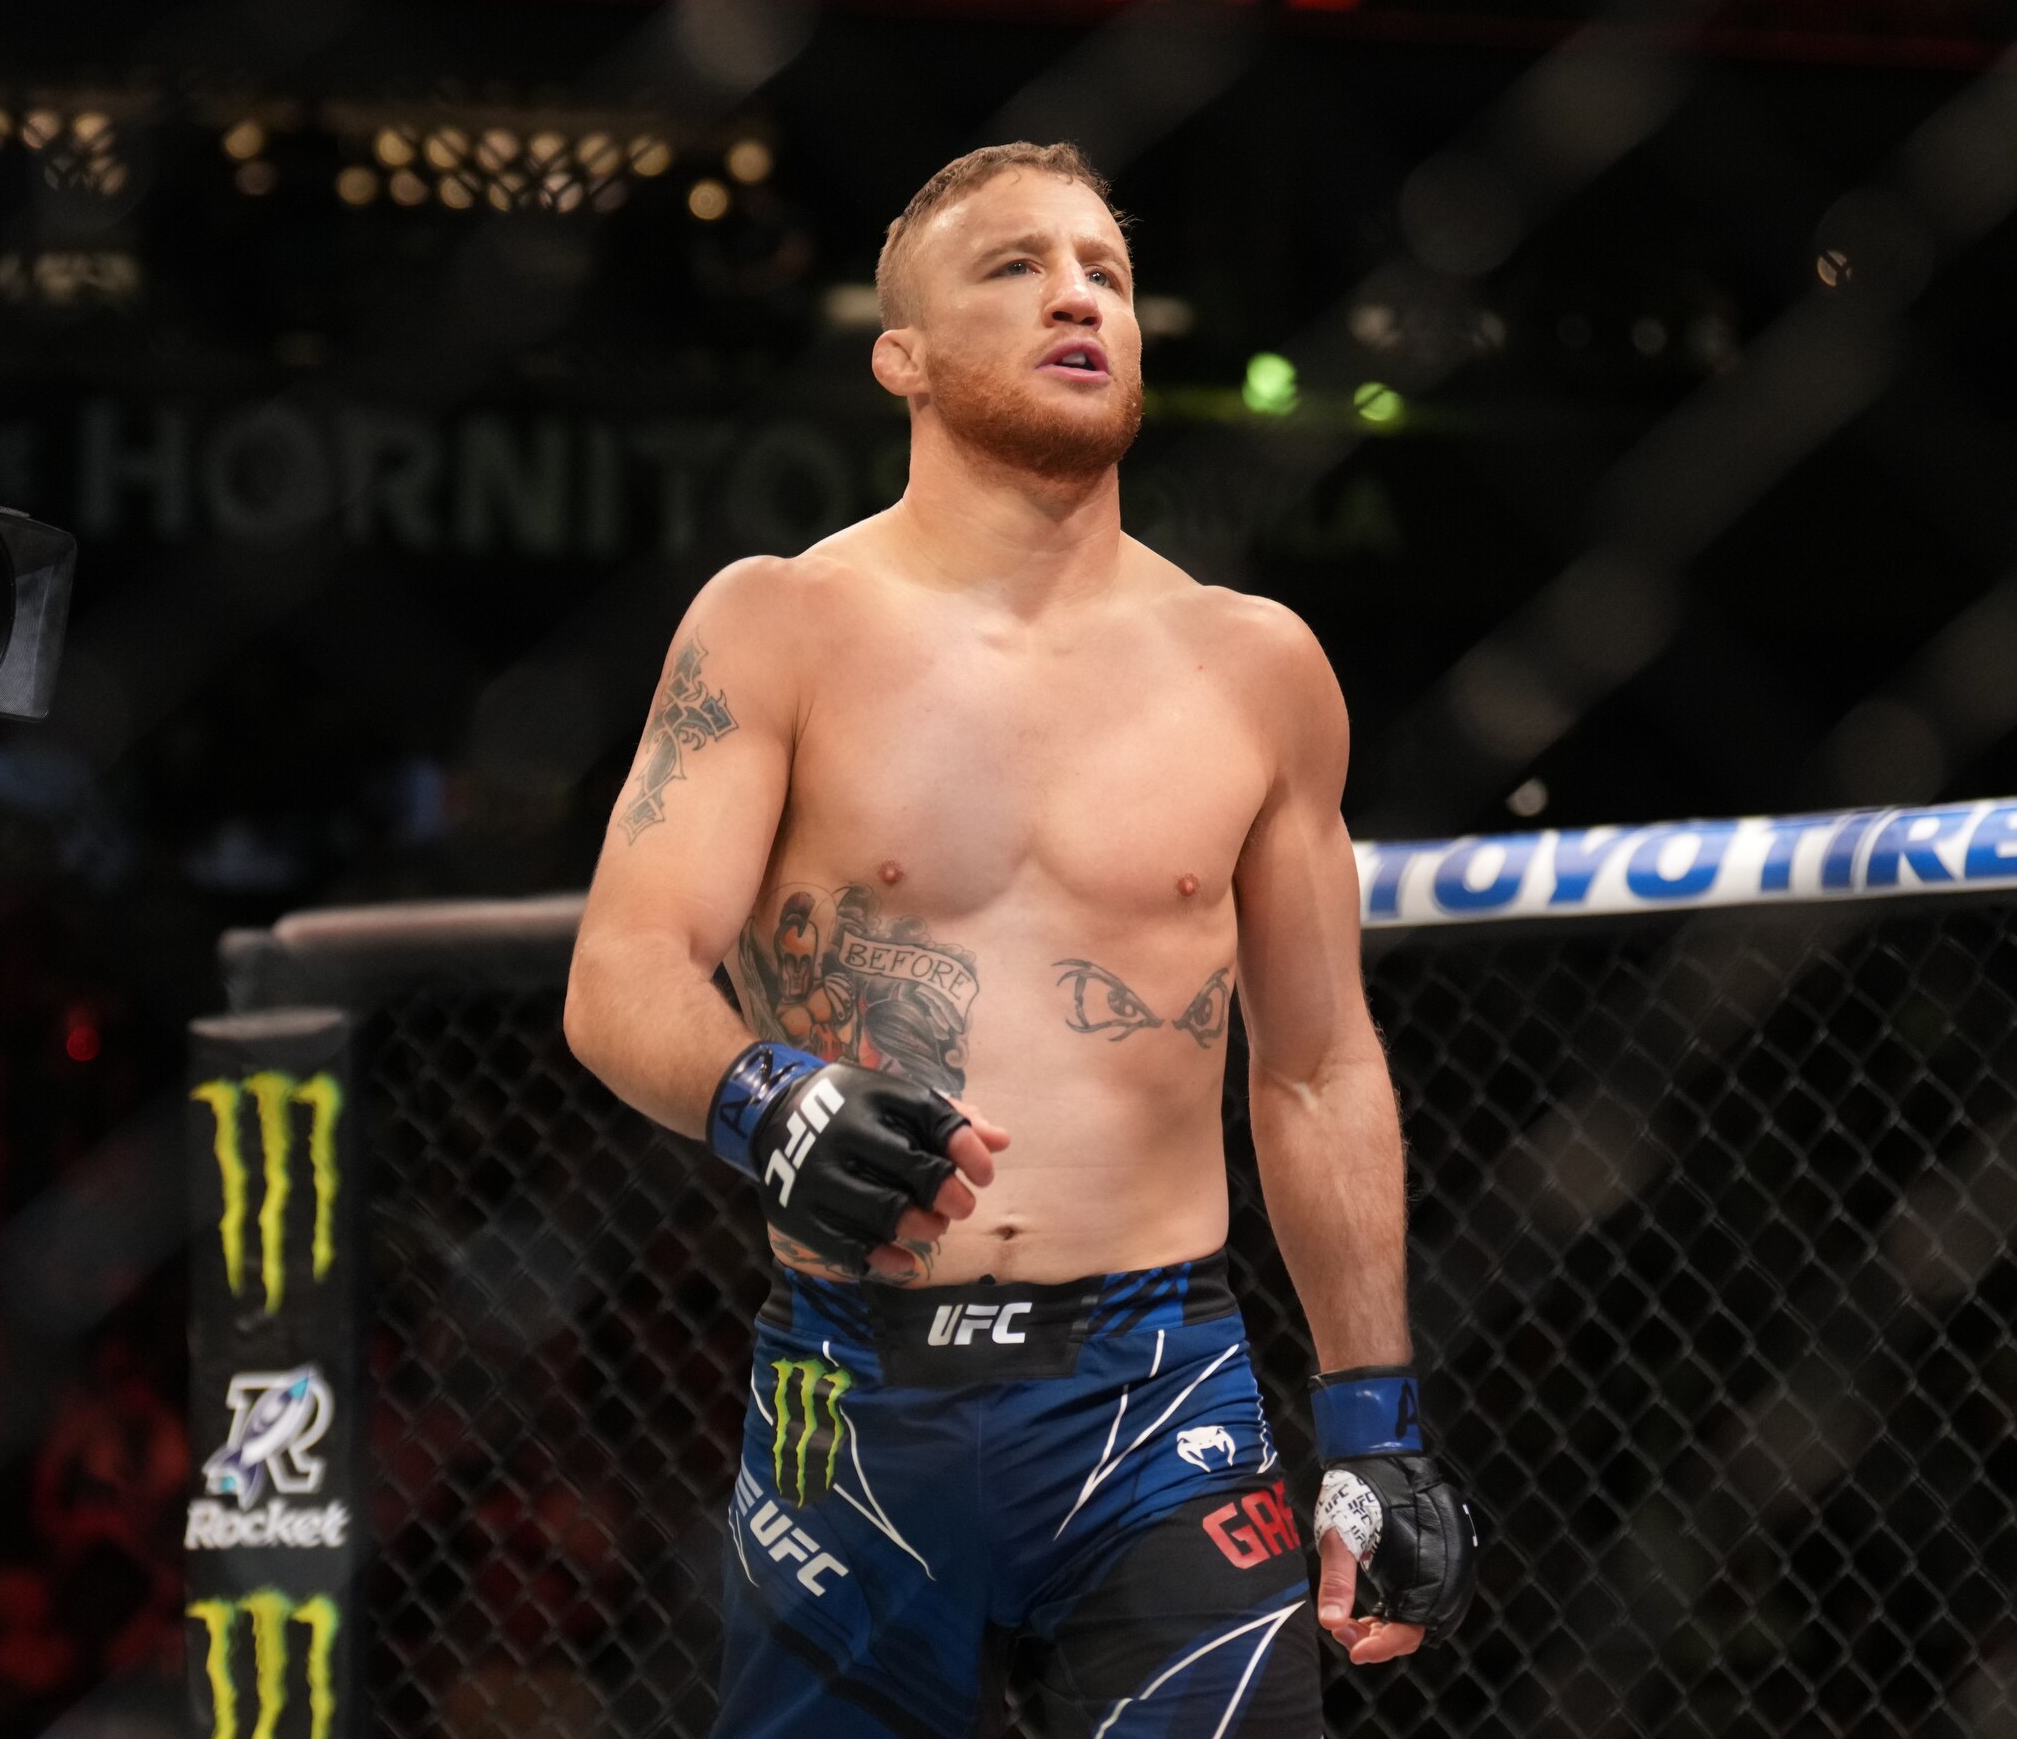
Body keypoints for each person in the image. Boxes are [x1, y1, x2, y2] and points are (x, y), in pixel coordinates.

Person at [566, 142, 1477, 1735]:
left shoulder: (1254, 666)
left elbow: (1320, 1065)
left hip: (1157, 1390)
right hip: (853, 1393)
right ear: (898, 356)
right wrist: (767, 1100)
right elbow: (625, 973)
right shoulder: (780, 623)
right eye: (1015, 266)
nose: (1077, 294)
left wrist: (1376, 1420)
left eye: (1106, 272)